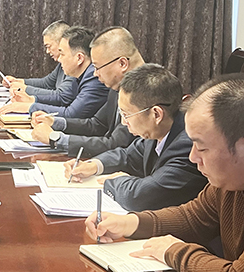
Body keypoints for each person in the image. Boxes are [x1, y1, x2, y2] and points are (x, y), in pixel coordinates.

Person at [85, 74, 244, 271]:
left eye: (202, 148)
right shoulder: (228, 184)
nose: (193, 157)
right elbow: (193, 218)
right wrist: (129, 223)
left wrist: (174, 251)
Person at [64, 64, 206, 211]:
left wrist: (117, 181)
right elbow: (127, 156)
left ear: (156, 114)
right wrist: (93, 165)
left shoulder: (189, 145)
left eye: (126, 114)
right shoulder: (158, 131)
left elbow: (140, 197)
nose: (123, 122)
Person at [31, 26, 145, 157]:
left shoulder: (145, 91)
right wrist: (55, 122)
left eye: (97, 67)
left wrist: (56, 138)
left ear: (122, 64)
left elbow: (115, 145)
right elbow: (97, 124)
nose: (95, 74)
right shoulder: (118, 85)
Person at [0, 26, 108, 119]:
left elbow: (71, 113)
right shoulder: (80, 73)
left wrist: (29, 106)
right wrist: (32, 99)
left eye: (62, 54)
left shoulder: (94, 77)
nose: (59, 59)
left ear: (79, 58)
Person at [4, 20, 76, 106]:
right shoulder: (61, 65)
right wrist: (19, 81)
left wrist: (25, 89)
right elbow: (47, 83)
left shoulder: (74, 66)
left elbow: (61, 96)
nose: (47, 51)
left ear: (62, 42)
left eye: (49, 46)